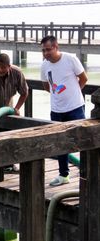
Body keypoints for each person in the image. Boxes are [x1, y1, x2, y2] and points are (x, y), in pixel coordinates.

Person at [40, 35, 88, 186]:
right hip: (56, 110)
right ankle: (63, 175)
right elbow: (46, 86)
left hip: (75, 107)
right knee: (59, 142)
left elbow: (84, 78)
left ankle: (88, 171)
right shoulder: (44, 65)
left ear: (56, 47)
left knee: (84, 140)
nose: (45, 53)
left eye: (48, 50)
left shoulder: (70, 59)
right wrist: (58, 97)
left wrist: (74, 93)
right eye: (43, 50)